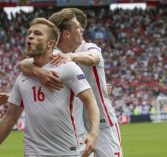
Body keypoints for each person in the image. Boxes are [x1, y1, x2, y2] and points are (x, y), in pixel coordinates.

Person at [0, 17, 100, 157]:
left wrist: (93, 133)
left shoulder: (68, 68)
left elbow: (90, 101)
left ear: (50, 44)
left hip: (68, 152)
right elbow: (10, 118)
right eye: (29, 33)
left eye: (37, 34)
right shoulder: (23, 76)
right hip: (33, 153)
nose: (30, 36)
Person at [18, 8, 122, 157]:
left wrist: (72, 57)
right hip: (78, 131)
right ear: (66, 33)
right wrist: (38, 72)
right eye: (78, 27)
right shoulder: (54, 56)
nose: (82, 30)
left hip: (104, 125)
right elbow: (24, 64)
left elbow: (93, 58)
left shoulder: (87, 47)